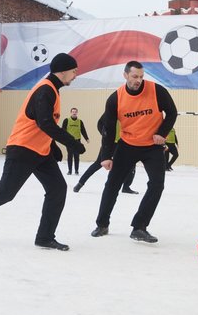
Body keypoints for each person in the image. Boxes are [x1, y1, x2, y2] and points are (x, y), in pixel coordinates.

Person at [0, 53, 84, 250]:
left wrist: (53, 147)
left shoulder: (53, 91)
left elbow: (42, 123)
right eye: (74, 71)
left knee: (57, 189)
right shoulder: (45, 90)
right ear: (63, 71)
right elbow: (45, 122)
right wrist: (71, 142)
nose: (75, 75)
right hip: (23, 148)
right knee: (6, 192)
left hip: (40, 150)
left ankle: (45, 237)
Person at [91, 60, 178, 243]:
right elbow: (108, 129)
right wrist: (106, 156)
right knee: (112, 185)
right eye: (134, 76)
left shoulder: (157, 91)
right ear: (125, 75)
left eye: (140, 76)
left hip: (152, 147)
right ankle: (102, 224)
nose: (138, 80)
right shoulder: (115, 98)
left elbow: (172, 112)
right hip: (127, 145)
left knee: (157, 185)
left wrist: (162, 133)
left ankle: (139, 227)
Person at [73, 116, 137, 194]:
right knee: (98, 164)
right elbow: (100, 123)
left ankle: (126, 187)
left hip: (124, 143)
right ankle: (80, 183)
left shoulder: (129, 112)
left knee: (131, 164)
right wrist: (105, 134)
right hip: (109, 143)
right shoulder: (113, 109)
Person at [60, 107, 90, 175]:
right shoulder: (66, 120)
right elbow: (63, 130)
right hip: (69, 141)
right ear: (71, 112)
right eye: (73, 111)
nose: (74, 113)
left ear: (77, 113)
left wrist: (87, 138)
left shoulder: (80, 121)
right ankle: (69, 170)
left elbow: (83, 130)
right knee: (70, 155)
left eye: (75, 111)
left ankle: (76, 171)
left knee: (77, 156)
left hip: (77, 140)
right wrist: (63, 139)